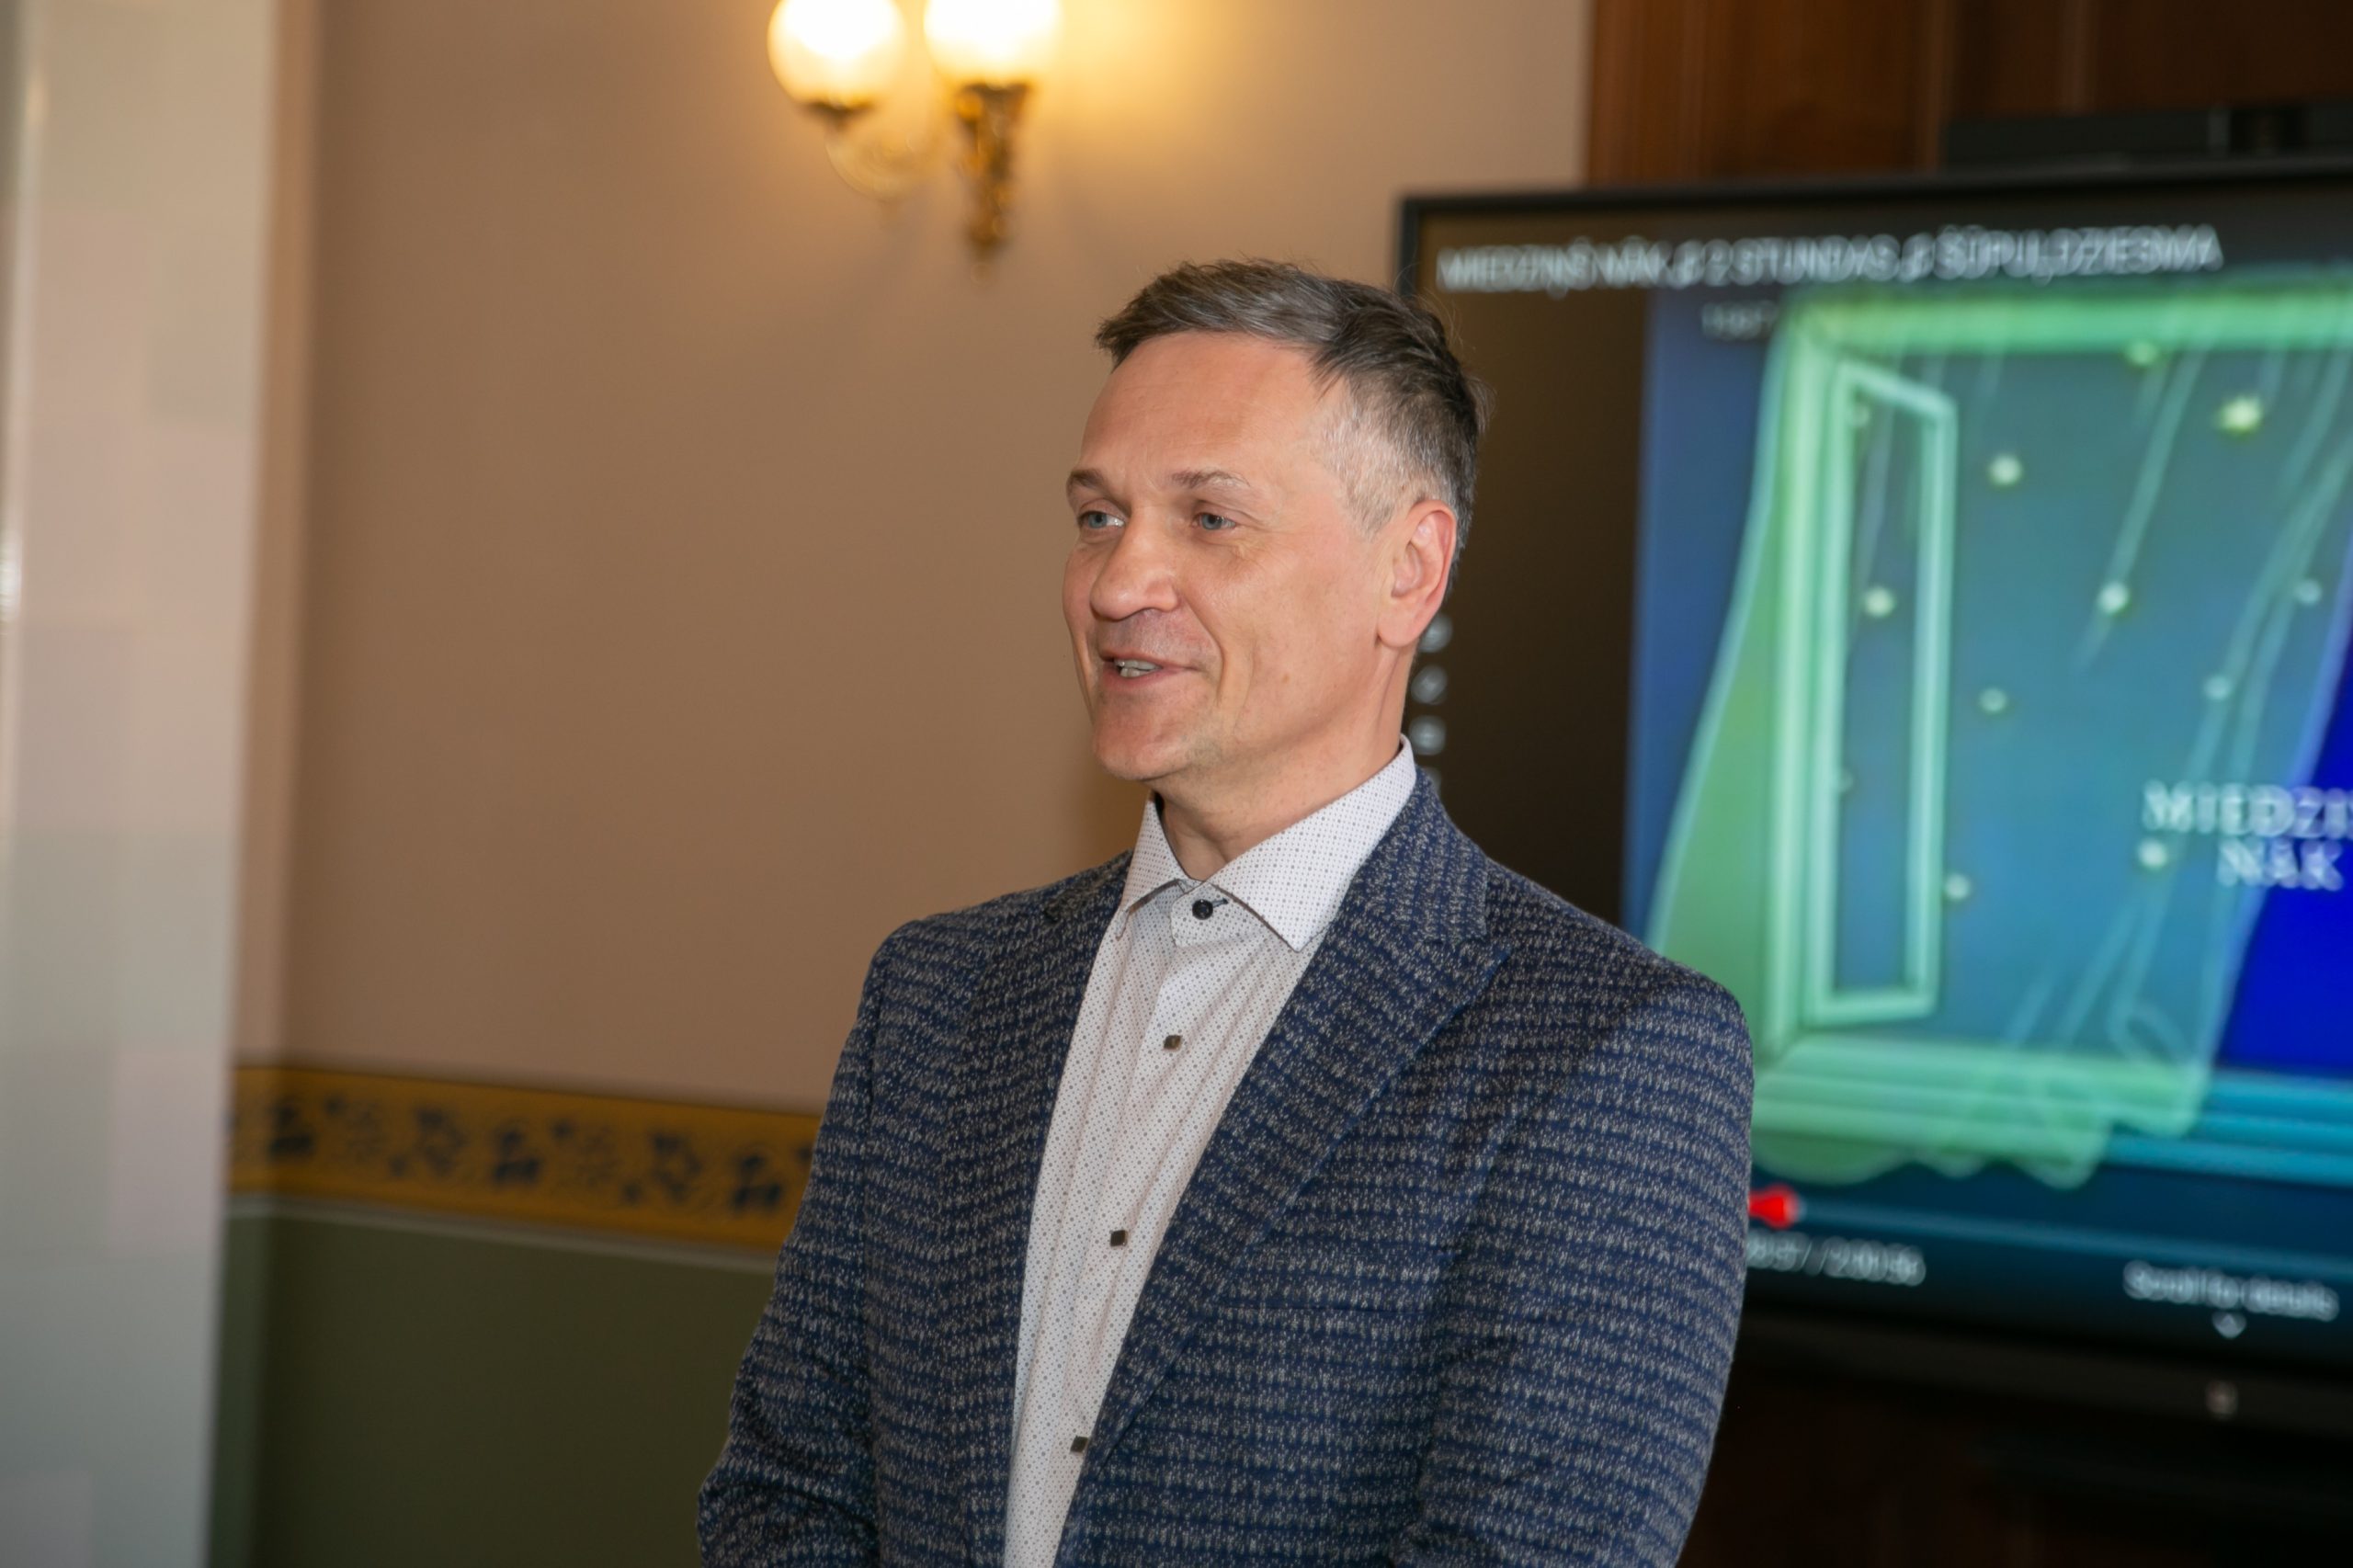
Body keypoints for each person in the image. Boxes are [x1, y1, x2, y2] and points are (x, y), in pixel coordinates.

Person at [699, 259, 1753, 1566]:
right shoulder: (938, 993)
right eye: (1098, 517)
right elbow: (786, 1493)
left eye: (1209, 518)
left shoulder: (1609, 1053)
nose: (1117, 582)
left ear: (1409, 571)